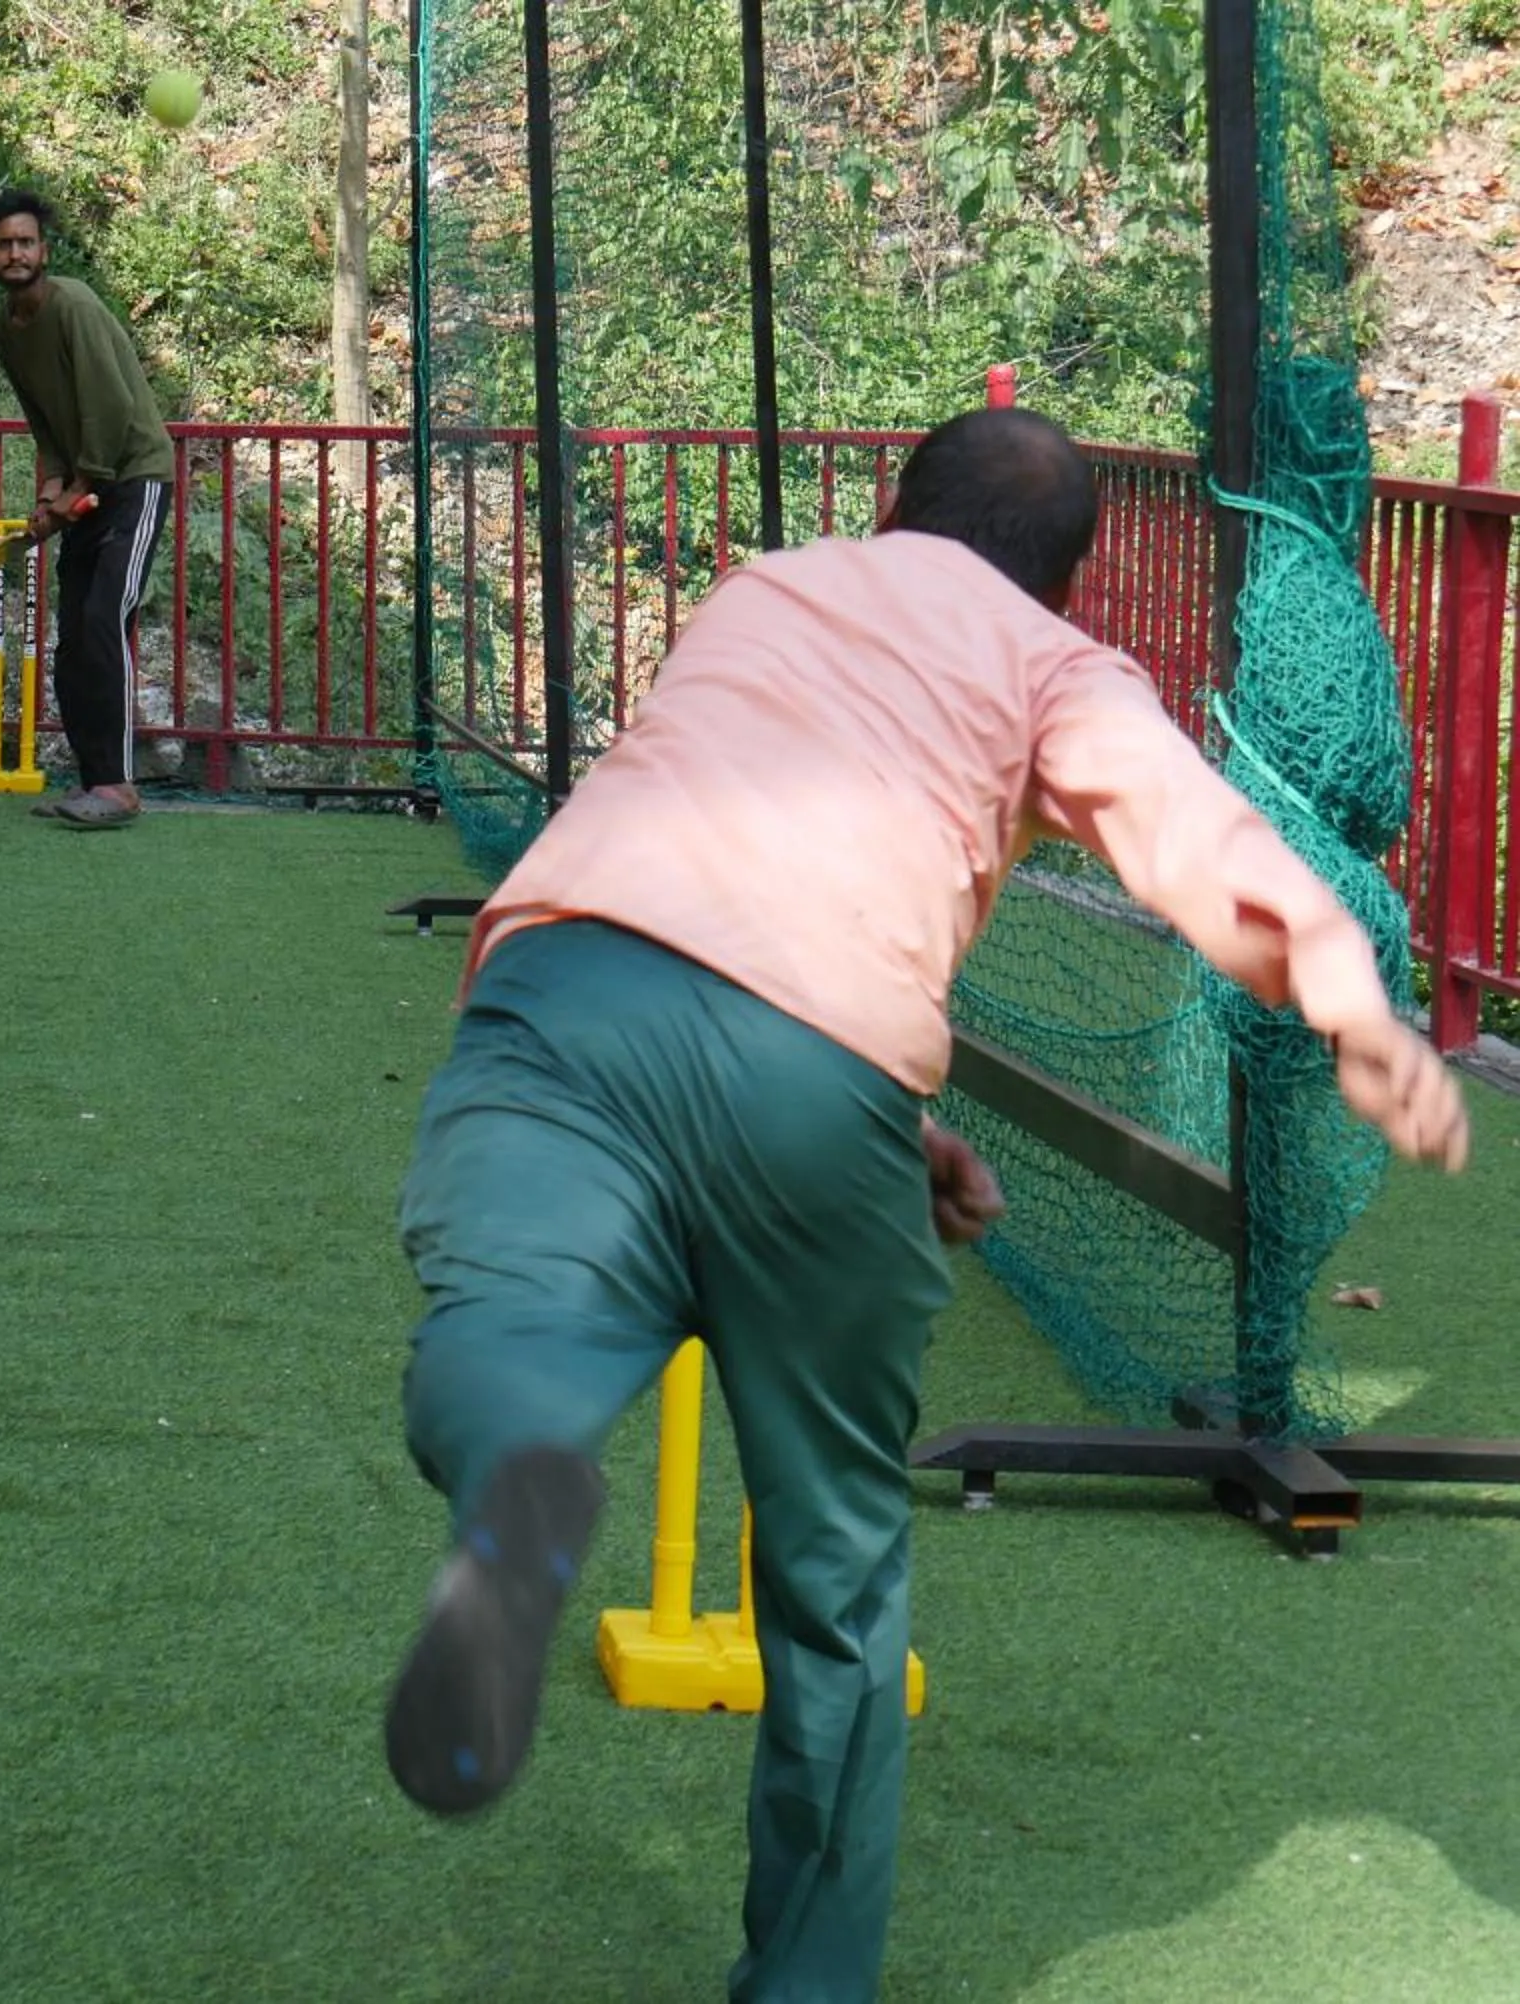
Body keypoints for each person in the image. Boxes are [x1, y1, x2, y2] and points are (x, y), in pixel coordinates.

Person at [377, 406, 1469, 2000]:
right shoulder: (1054, 667)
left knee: (519, 1309)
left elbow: (730, 882)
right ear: (1067, 581)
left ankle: (518, 1453)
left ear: (895, 512)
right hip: (827, 1077)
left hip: (571, 982)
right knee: (835, 1582)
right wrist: (1350, 1002)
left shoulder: (770, 588)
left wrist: (899, 1130)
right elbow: (1190, 838)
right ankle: (807, 1984)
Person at [0, 190, 174, 831]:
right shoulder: (7, 328)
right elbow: (45, 422)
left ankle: (118, 789)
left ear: (44, 251)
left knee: (102, 618)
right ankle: (93, 782)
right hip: (88, 483)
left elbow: (109, 409)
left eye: (26, 242)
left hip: (134, 476)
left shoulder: (75, 305)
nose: (16, 254)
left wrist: (76, 491)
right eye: (4, 244)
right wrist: (49, 492)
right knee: (71, 639)